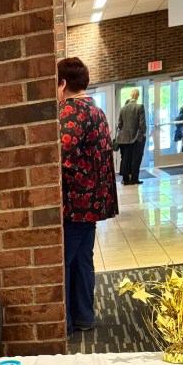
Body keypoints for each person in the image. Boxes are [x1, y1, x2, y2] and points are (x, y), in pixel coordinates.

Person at [58, 57, 118, 337]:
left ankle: (67, 324)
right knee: (83, 259)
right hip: (94, 203)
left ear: (62, 84)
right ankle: (84, 316)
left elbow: (62, 157)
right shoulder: (97, 110)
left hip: (74, 204)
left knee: (66, 263)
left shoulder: (71, 111)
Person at [116, 89, 147, 186]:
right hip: (135, 138)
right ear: (137, 95)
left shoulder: (122, 109)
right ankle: (134, 179)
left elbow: (119, 125)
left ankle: (125, 179)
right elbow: (142, 123)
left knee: (125, 158)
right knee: (136, 159)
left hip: (123, 139)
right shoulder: (140, 107)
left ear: (130, 95)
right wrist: (143, 134)